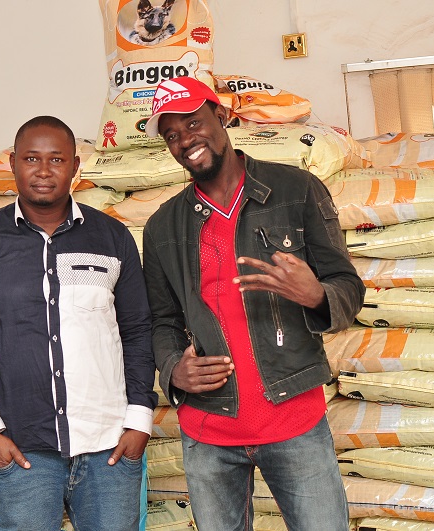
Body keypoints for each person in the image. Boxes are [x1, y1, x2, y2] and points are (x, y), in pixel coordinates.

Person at [141, 77, 365, 531]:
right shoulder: (162, 226)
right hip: (208, 430)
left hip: (294, 420)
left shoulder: (296, 190)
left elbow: (348, 286)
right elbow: (161, 321)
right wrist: (173, 369)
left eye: (193, 123)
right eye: (172, 135)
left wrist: (316, 295)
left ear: (222, 116)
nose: (185, 140)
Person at [0, 116, 158, 531]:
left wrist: (139, 421)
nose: (43, 170)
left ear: (75, 166)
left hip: (109, 445)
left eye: (56, 159)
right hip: (21, 447)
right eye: (31, 159)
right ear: (12, 163)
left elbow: (137, 330)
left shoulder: (112, 238)